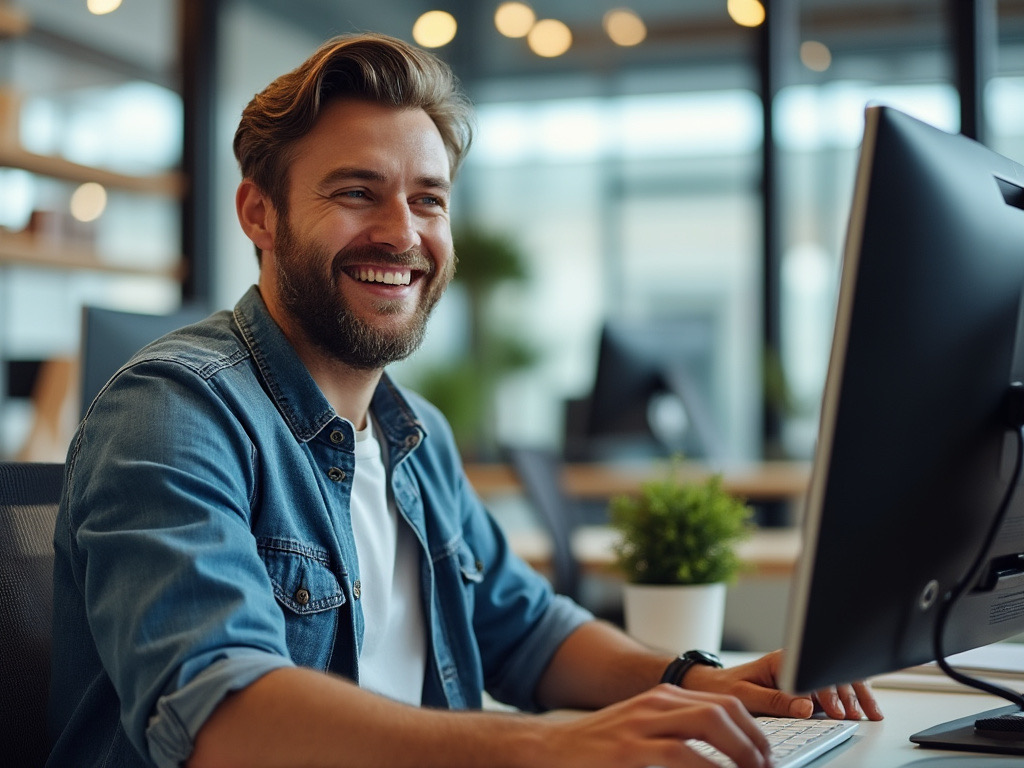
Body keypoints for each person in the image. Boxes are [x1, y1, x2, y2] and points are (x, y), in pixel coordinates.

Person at [46, 32, 881, 768]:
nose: (403, 233)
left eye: (428, 199)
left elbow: (525, 629)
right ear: (259, 214)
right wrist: (549, 748)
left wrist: (698, 681)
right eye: (356, 192)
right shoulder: (174, 414)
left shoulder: (414, 434)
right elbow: (222, 720)